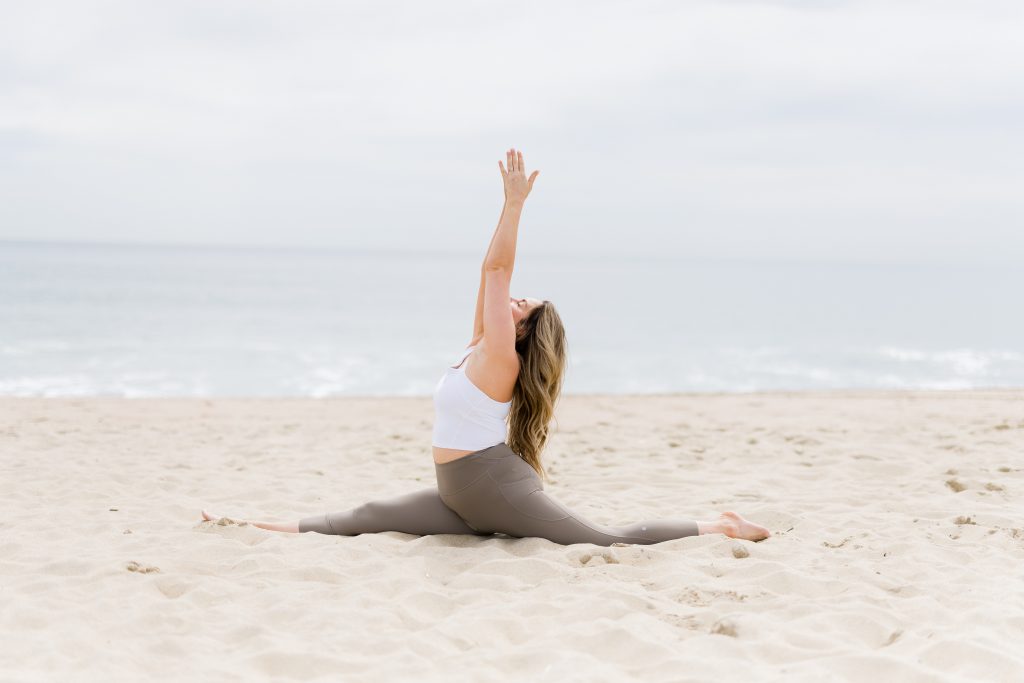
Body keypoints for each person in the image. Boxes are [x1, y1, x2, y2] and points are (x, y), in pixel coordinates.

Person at [202, 148, 771, 546]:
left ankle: (722, 527)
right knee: (368, 516)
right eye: (516, 299)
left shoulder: (503, 357)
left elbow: (497, 268)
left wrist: (516, 203)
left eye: (522, 306)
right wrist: (503, 215)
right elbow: (488, 272)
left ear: (521, 331)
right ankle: (250, 524)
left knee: (606, 539)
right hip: (463, 494)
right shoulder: (480, 344)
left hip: (491, 487)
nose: (512, 302)